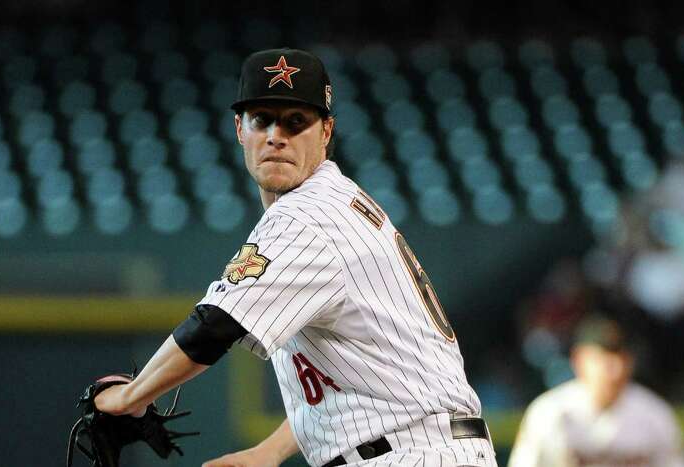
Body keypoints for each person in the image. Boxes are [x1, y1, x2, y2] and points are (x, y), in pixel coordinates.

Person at [92, 48, 498, 467]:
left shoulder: (306, 216)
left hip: (412, 453)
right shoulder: (336, 202)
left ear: (326, 132)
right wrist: (267, 453)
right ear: (239, 129)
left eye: (295, 122)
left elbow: (213, 327)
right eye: (261, 119)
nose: (275, 135)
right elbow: (353, 382)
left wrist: (130, 396)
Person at [508, 315, 684, 467]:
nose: (615, 369)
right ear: (579, 360)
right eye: (604, 359)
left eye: (621, 358)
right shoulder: (549, 412)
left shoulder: (654, 413)